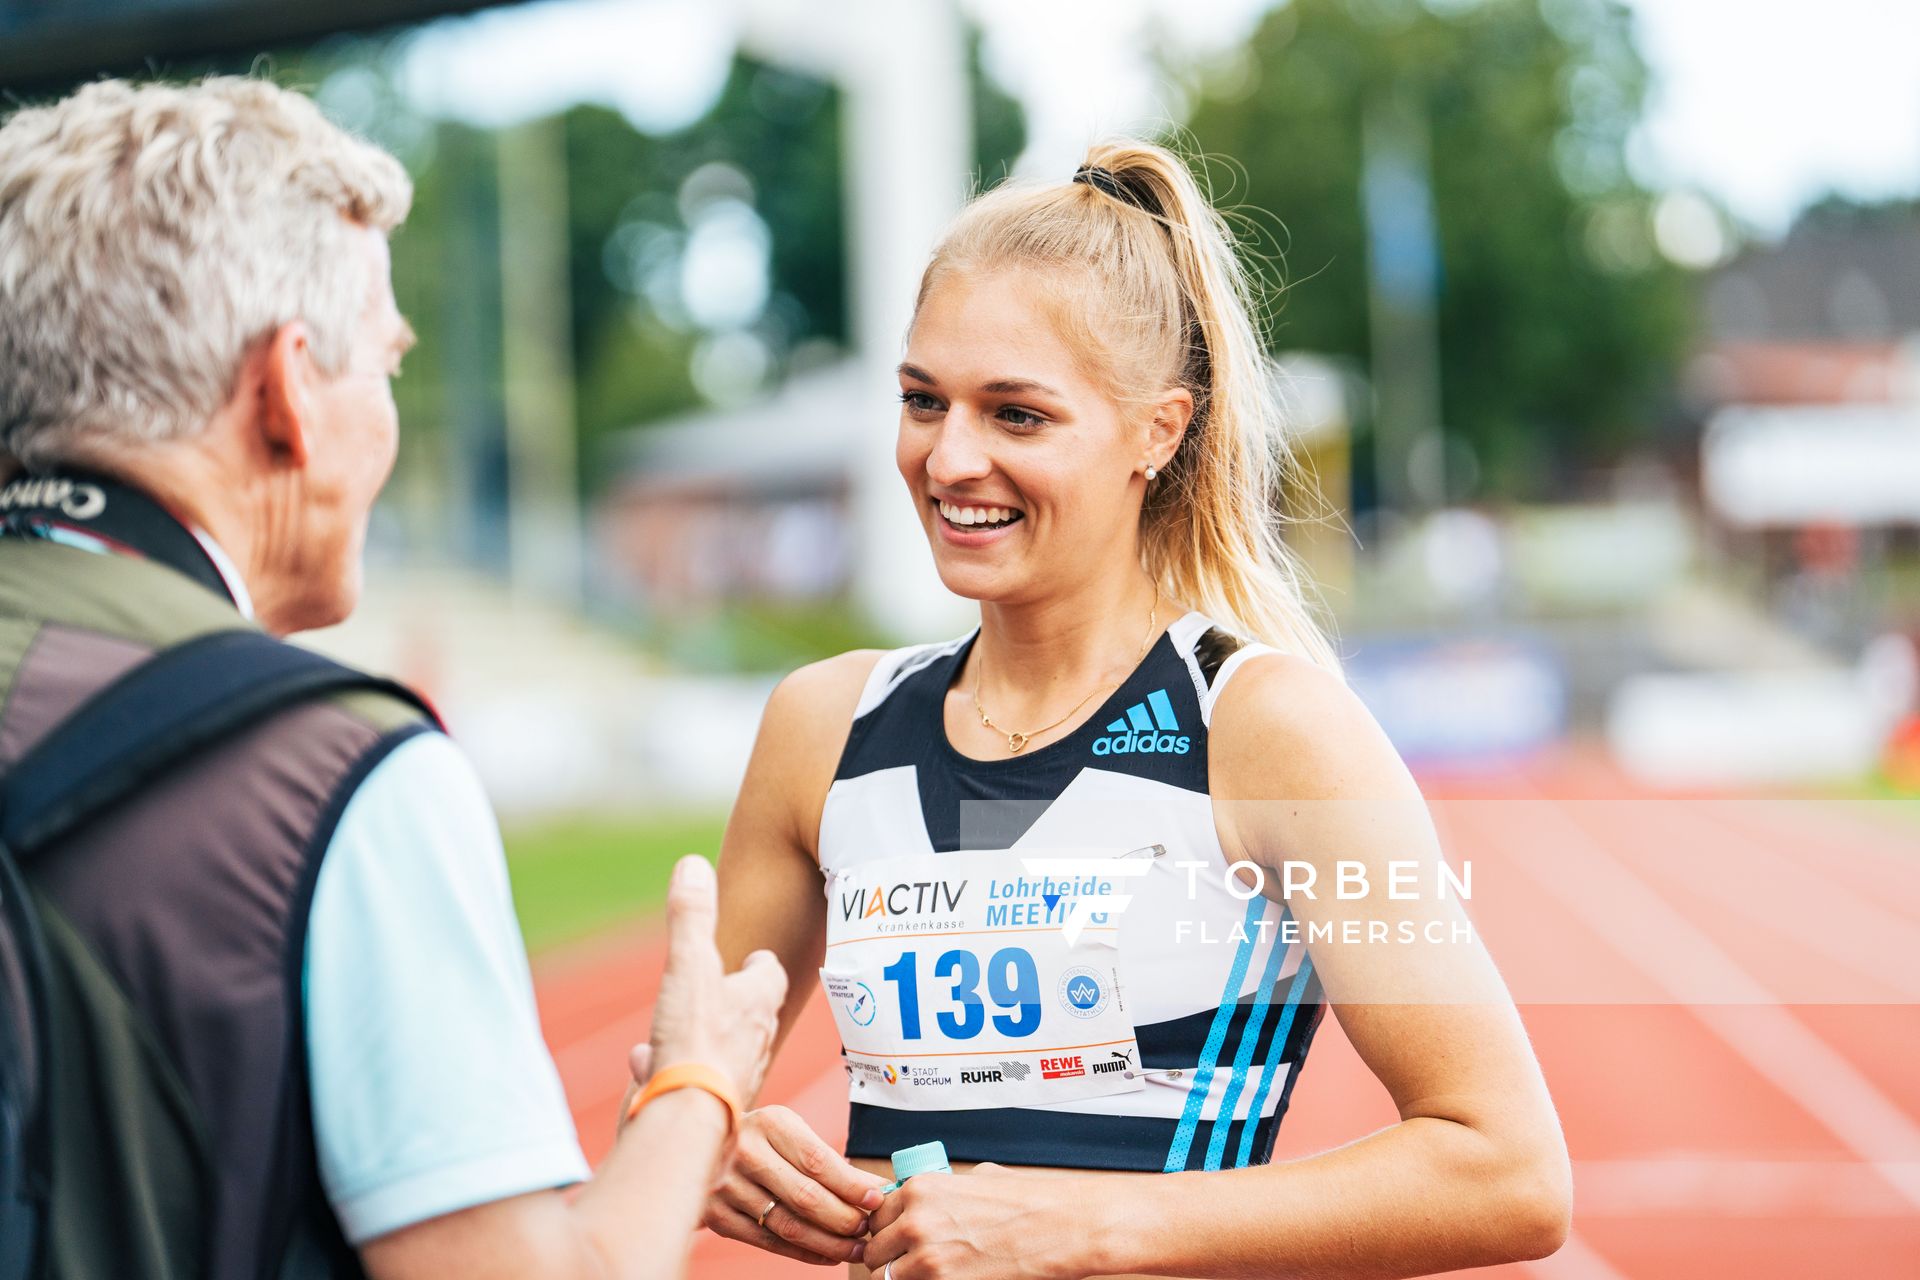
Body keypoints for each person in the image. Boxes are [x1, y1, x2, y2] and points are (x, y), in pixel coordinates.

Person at [700, 142, 1572, 1278]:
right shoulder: (823, 726)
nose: (949, 456)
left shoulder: (1269, 729)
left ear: (1158, 431)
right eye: (923, 400)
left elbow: (1507, 1167)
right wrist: (707, 1139)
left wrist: (1080, 1226)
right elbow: (679, 1104)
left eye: (1017, 415)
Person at [0, 77, 783, 1278]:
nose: (392, 414)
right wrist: (697, 1083)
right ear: (289, 391)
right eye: (387, 363)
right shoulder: (326, 771)